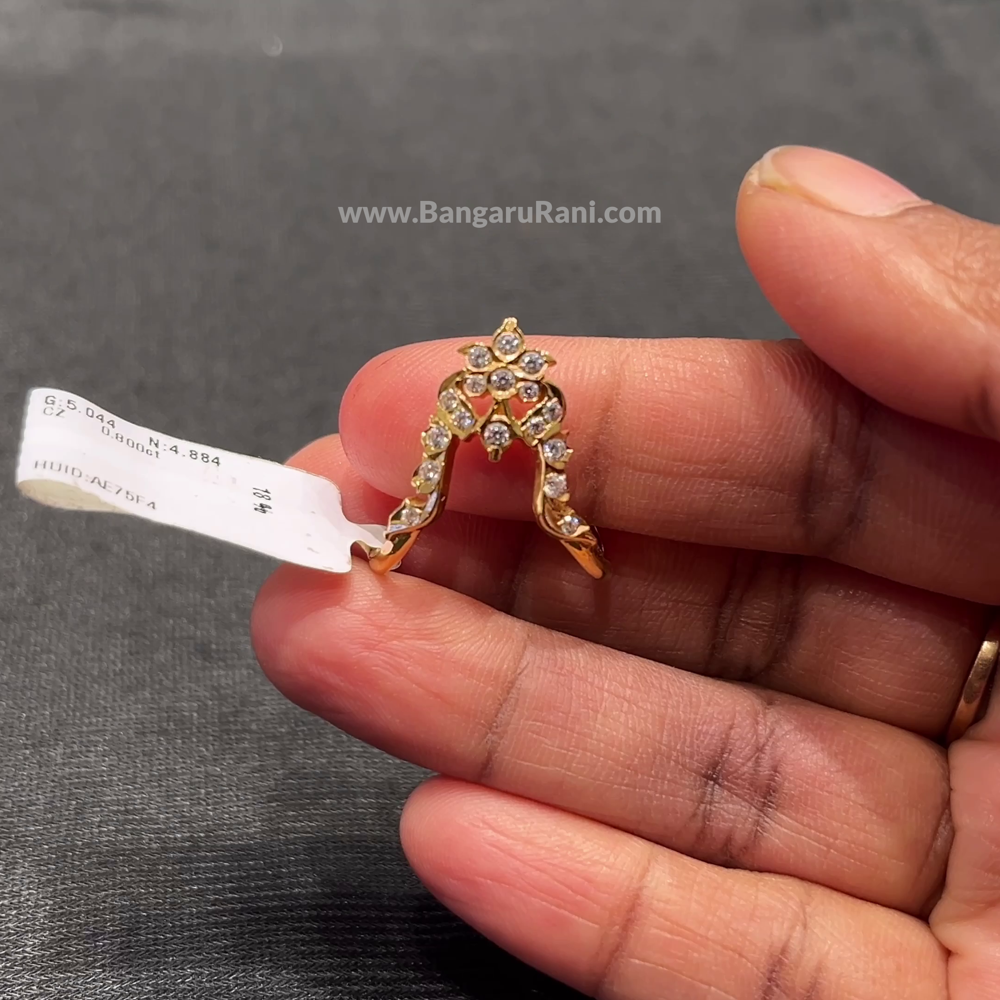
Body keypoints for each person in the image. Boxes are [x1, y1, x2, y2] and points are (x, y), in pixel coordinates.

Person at [250, 146, 1000, 999]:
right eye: (486, 423)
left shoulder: (536, 422)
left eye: (505, 423)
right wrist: (415, 540)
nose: (494, 435)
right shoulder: (471, 416)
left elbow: (546, 503)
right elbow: (427, 495)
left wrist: (570, 539)